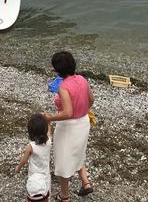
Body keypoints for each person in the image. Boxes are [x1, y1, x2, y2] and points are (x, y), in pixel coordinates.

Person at [42, 51, 95, 201]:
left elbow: (67, 112)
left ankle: (64, 196)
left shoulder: (63, 87)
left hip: (68, 126)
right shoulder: (82, 80)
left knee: (62, 161)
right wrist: (83, 109)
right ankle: (85, 182)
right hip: (84, 122)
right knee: (78, 151)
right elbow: (91, 100)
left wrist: (49, 118)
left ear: (58, 70)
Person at [16, 113, 52, 201]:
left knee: (33, 198)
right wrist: (48, 122)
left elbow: (24, 161)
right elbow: (49, 132)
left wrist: (18, 168)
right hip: (45, 176)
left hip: (34, 176)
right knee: (45, 197)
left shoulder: (31, 146)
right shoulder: (49, 142)